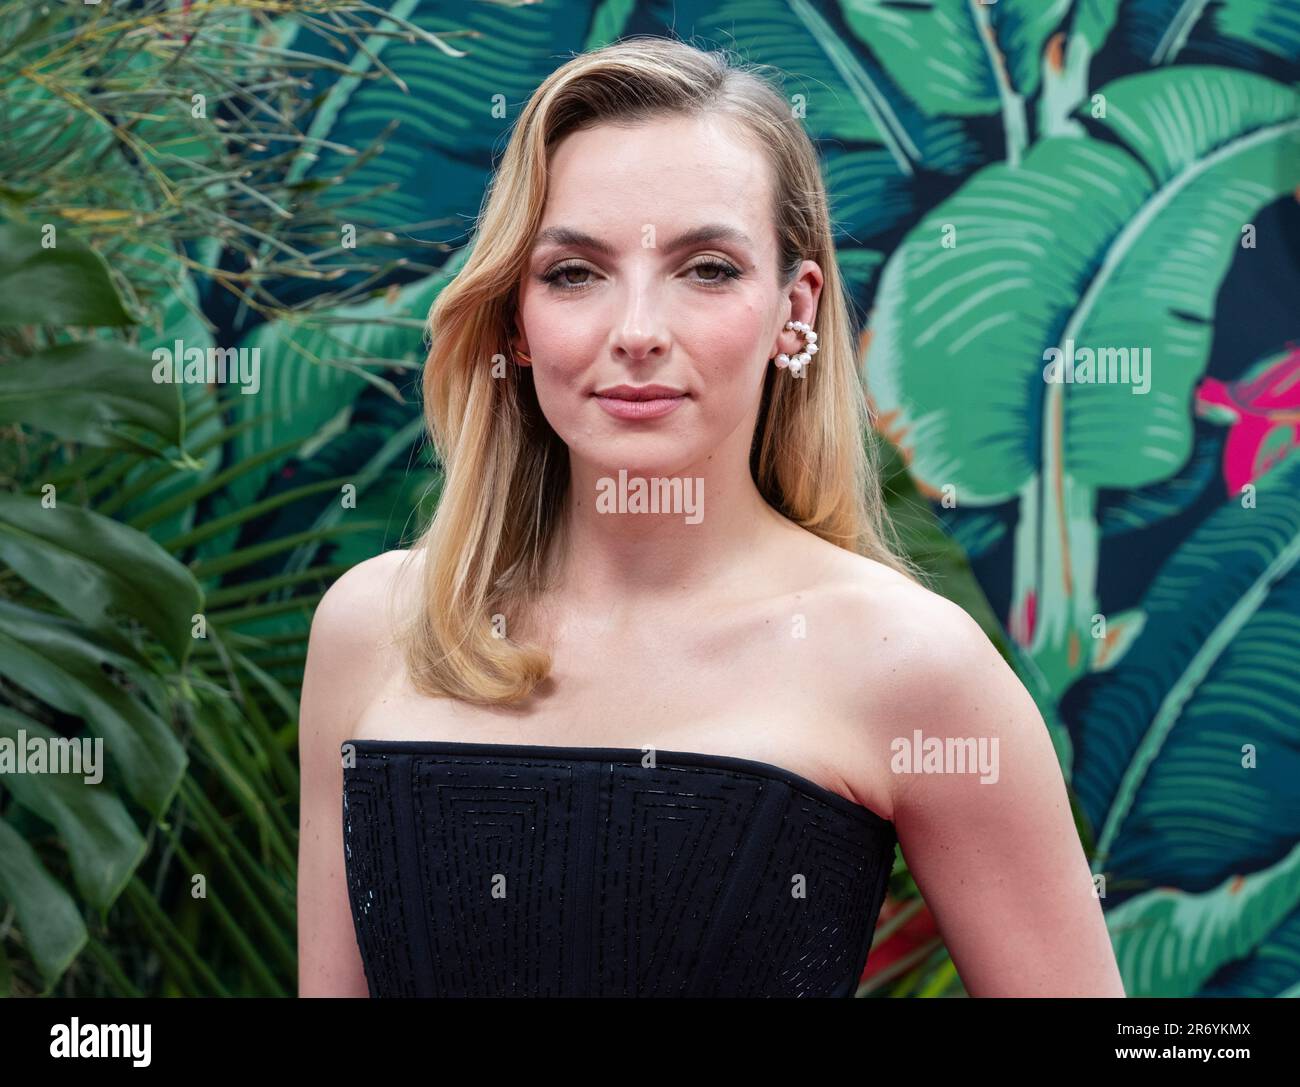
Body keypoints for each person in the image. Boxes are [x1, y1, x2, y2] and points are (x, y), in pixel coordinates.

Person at [297, 35, 1125, 998]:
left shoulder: (909, 662)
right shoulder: (376, 629)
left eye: (706, 269)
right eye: (574, 272)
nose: (637, 331)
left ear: (794, 309)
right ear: (515, 319)